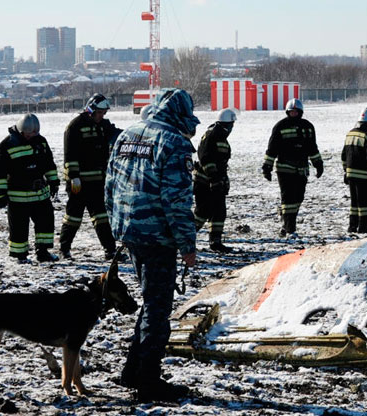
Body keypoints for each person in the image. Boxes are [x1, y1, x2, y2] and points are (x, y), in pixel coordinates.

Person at [106, 88, 199, 402]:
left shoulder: (126, 135)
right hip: (158, 238)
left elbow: (110, 186)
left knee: (151, 302)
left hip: (130, 233)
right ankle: (148, 380)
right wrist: (187, 245)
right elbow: (177, 202)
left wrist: (119, 227)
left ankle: (132, 370)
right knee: (158, 309)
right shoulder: (175, 145)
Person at [59, 93, 122, 260]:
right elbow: (69, 154)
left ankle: (110, 250)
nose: (102, 116)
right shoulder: (75, 126)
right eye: (100, 113)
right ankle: (64, 249)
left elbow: (118, 136)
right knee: (73, 217)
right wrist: (74, 177)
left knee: (102, 217)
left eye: (104, 113)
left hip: (98, 182)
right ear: (91, 110)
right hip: (79, 183)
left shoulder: (104, 125)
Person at [0, 114, 60, 263]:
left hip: (40, 194)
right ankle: (20, 256)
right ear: (21, 131)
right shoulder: (6, 145)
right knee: (19, 228)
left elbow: (48, 163)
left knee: (45, 223)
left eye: (34, 134)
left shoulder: (40, 142)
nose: (32, 137)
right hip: (18, 197)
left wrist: (54, 181)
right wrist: (0, 193)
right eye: (29, 135)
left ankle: (43, 252)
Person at [262, 99, 323, 236]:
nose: (293, 114)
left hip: (301, 169)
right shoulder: (280, 126)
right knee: (288, 198)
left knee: (298, 198)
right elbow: (272, 148)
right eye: (291, 112)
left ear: (300, 112)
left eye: (296, 112)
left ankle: (286, 219)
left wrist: (318, 164)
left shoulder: (308, 126)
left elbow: (312, 147)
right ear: (287, 112)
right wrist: (267, 167)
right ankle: (290, 229)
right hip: (285, 168)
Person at [193, 108, 238, 252]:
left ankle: (215, 242)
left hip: (217, 181)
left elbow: (221, 162)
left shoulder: (222, 137)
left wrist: (222, 180)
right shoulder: (211, 135)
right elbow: (205, 158)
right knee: (203, 211)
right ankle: (185, 238)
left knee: (219, 212)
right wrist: (213, 178)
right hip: (204, 182)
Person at [341, 107, 367, 233]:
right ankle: (365, 226)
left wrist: (345, 170)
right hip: (365, 175)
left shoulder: (351, 133)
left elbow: (344, 155)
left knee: (355, 202)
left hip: (351, 174)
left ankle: (352, 225)